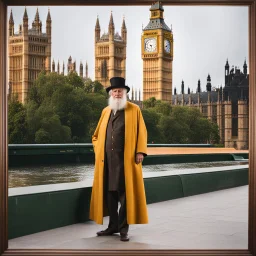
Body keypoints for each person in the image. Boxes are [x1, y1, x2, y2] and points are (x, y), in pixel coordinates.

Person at [89, 76, 148, 242]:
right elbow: (95, 136)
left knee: (125, 195)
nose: (117, 94)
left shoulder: (134, 109)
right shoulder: (105, 111)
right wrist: (98, 149)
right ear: (110, 93)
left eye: (120, 91)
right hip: (107, 160)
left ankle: (123, 229)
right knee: (110, 195)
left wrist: (140, 152)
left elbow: (142, 132)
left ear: (125, 93)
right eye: (114, 91)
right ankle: (112, 226)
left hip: (126, 160)